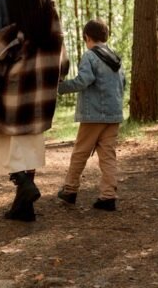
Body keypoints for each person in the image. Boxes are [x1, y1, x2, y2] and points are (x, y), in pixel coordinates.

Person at [0, 0, 68, 222]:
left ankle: (22, 183)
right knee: (30, 143)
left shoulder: (5, 0)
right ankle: (24, 206)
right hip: (41, 86)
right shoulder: (48, 5)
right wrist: (60, 74)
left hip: (11, 83)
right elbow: (60, 44)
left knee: (2, 135)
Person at [56, 19, 126, 211]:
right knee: (108, 155)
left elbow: (84, 80)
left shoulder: (90, 56)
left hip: (93, 115)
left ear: (87, 37)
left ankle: (70, 190)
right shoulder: (116, 57)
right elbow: (123, 83)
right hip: (113, 115)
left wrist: (59, 87)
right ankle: (108, 196)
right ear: (105, 36)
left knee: (80, 153)